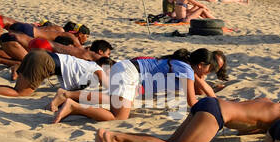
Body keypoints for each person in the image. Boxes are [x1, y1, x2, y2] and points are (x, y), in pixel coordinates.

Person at [93, 92, 280, 142]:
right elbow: (279, 132)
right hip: (217, 115)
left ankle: (113, 135)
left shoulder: (266, 100)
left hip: (210, 103)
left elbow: (246, 124)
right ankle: (117, 139)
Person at [50, 49, 223, 123]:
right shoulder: (186, 69)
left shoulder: (183, 64)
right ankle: (74, 107)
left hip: (127, 70)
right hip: (129, 73)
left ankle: (67, 95)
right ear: (200, 65)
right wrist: (215, 108)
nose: (208, 73)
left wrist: (215, 99)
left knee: (116, 102)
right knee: (118, 117)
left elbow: (200, 89)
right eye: (209, 69)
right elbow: (192, 101)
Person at [0, 49, 110, 99]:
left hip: (39, 55)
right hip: (44, 62)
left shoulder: (88, 65)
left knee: (16, 88)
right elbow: (110, 87)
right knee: (20, 93)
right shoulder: (98, 69)